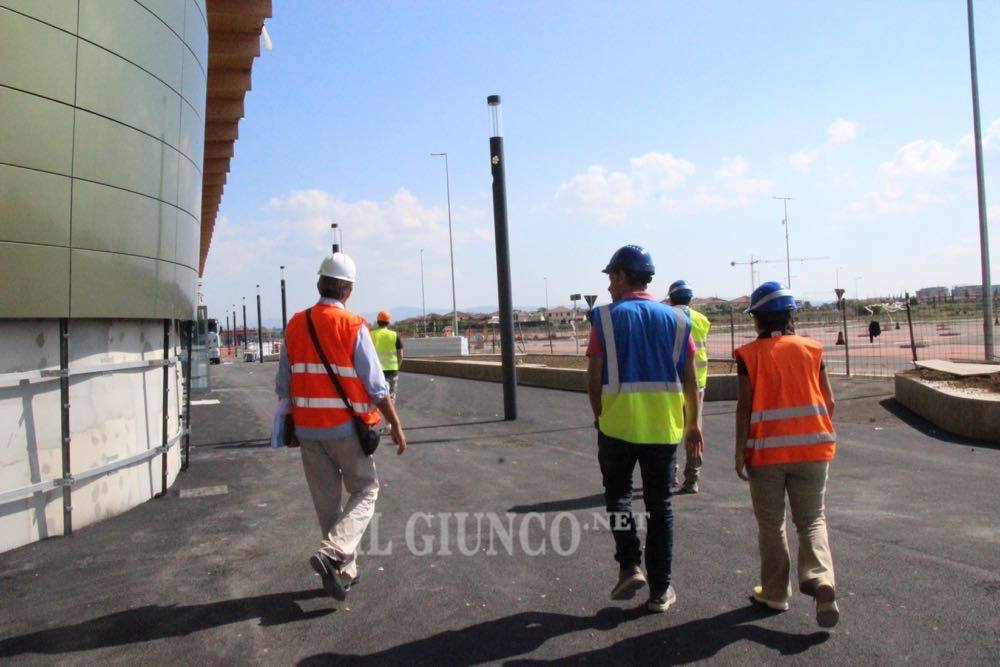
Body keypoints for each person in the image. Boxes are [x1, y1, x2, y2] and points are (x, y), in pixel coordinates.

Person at [275, 252, 407, 602]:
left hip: (307, 431)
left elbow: (283, 385)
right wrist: (395, 424)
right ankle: (334, 553)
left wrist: (287, 426)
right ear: (347, 291)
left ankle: (343, 569)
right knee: (366, 489)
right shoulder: (352, 325)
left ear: (319, 283)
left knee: (328, 504)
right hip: (346, 429)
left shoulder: (294, 325)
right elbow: (377, 387)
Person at [586, 245, 703, 613]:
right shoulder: (678, 320)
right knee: (659, 507)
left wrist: (600, 415)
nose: (607, 287)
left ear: (622, 276)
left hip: (616, 425)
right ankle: (660, 591)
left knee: (618, 497)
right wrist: (693, 425)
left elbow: (593, 376)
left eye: (610, 278)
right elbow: (689, 378)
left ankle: (628, 564)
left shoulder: (604, 318)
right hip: (664, 429)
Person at [733, 281, 839, 628]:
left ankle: (776, 593)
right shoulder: (813, 350)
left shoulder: (750, 355)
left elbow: (745, 409)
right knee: (812, 520)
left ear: (757, 320)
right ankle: (821, 578)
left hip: (766, 454)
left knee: (771, 524)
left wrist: (740, 452)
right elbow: (830, 402)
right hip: (814, 451)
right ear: (791, 316)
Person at [667, 279, 711, 494]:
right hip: (698, 383)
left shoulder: (666, 318)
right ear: (690, 299)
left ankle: (670, 475)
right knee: (694, 430)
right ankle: (692, 478)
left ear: (671, 298)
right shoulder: (702, 319)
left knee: (671, 429)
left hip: (673, 383)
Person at [370, 310, 403, 400]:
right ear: (388, 322)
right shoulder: (394, 335)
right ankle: (389, 413)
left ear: (377, 322)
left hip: (376, 371)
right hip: (392, 370)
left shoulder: (371, 335)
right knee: (391, 396)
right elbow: (400, 354)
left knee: (376, 396)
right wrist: (397, 367)